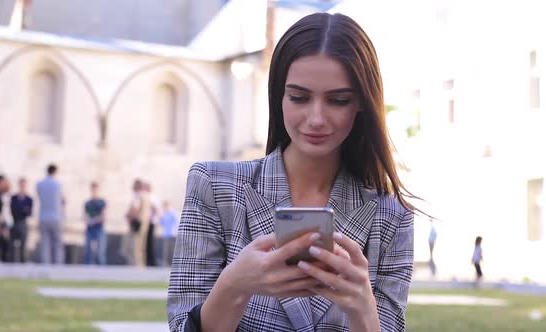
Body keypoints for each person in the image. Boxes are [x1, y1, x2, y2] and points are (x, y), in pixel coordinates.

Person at [167, 13, 416, 332]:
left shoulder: (392, 216)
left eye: (338, 100)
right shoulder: (214, 187)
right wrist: (233, 285)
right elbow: (180, 325)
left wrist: (363, 310)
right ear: (278, 97)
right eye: (299, 97)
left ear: (361, 103)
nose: (316, 118)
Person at [36, 164, 65, 264]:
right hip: (55, 217)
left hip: (43, 216)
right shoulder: (58, 184)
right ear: (55, 172)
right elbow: (62, 200)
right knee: (57, 243)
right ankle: (58, 263)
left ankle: (45, 263)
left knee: (44, 242)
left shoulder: (40, 184)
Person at [124, 179, 150, 267]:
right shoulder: (146, 196)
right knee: (141, 246)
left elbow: (134, 209)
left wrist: (129, 216)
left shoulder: (137, 196)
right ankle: (140, 264)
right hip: (144, 224)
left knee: (133, 246)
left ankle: (135, 265)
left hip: (136, 224)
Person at [10, 177, 33, 263]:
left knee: (23, 246)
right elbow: (13, 210)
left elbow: (29, 212)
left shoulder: (29, 199)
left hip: (23, 223)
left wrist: (21, 210)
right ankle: (11, 263)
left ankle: (23, 263)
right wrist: (23, 209)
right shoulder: (14, 197)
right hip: (14, 222)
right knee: (12, 245)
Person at [83, 182, 107, 265]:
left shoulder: (101, 202)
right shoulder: (88, 203)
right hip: (89, 228)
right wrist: (88, 221)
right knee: (88, 251)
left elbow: (103, 216)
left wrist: (93, 220)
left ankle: (102, 271)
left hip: (98, 228)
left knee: (100, 252)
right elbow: (85, 215)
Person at [144, 182, 160, 267]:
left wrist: (150, 219)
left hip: (150, 223)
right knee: (147, 243)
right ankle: (148, 261)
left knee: (149, 243)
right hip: (149, 222)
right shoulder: (150, 197)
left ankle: (151, 261)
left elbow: (155, 209)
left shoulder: (151, 198)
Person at [159, 200, 178, 266]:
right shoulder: (164, 214)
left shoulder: (173, 213)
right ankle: (166, 263)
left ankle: (173, 263)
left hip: (172, 234)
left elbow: (176, 223)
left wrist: (175, 232)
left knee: (172, 250)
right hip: (166, 234)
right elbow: (162, 223)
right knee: (166, 250)